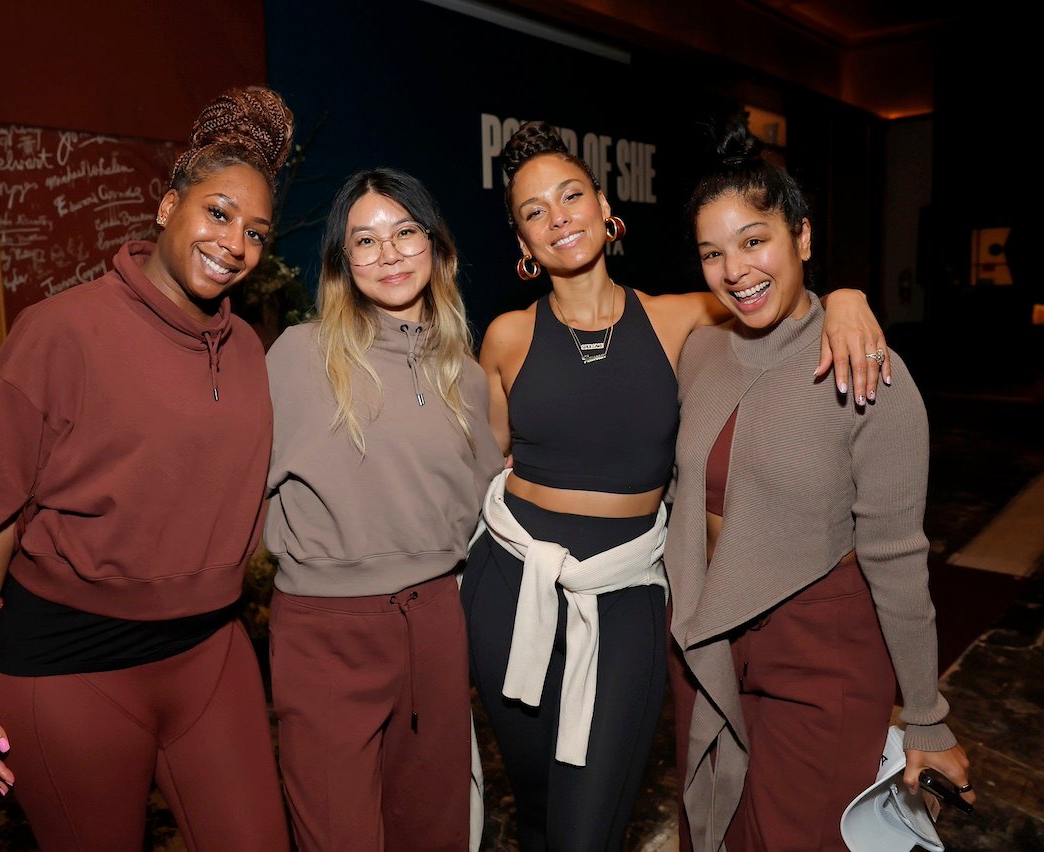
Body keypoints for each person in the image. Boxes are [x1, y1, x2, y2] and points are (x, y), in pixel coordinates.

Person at [460, 120, 889, 851]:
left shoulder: (679, 319)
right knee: (533, 808)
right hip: (510, 587)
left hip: (626, 595)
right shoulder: (504, 335)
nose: (558, 216)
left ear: (604, 206)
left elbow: (776, 291)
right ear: (523, 244)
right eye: (535, 212)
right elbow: (483, 464)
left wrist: (846, 294)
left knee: (583, 829)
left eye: (571, 196)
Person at [0, 86, 294, 851]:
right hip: (69, 666)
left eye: (256, 232)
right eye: (218, 213)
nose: (236, 243)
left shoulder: (250, 349)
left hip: (211, 655)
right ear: (166, 207)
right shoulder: (61, 332)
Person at [665, 117, 974, 851]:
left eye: (754, 240)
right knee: (712, 828)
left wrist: (925, 714)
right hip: (705, 636)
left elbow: (897, 556)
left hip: (820, 641)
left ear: (801, 237)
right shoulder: (700, 347)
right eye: (713, 253)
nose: (735, 270)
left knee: (797, 837)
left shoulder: (868, 368)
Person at [263, 167, 505, 851]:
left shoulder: (462, 371)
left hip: (434, 622)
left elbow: (483, 498)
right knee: (338, 831)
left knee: (435, 827)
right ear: (342, 262)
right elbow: (231, 483)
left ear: (437, 246)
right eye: (365, 241)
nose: (390, 253)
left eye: (405, 232)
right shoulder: (299, 356)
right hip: (326, 630)